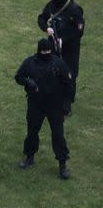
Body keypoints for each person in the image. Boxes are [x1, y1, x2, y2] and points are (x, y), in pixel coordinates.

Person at [15, 38, 73, 179]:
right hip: (36, 103)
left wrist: (66, 105)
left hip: (55, 105)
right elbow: (18, 76)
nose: (46, 53)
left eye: (48, 51)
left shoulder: (58, 64)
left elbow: (69, 86)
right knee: (32, 130)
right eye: (44, 51)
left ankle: (62, 165)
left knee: (58, 134)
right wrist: (28, 82)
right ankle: (29, 156)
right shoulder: (30, 62)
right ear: (39, 51)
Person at [38, 0, 84, 107]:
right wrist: (46, 28)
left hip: (70, 49)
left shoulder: (75, 10)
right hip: (53, 44)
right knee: (51, 70)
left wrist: (63, 41)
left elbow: (79, 32)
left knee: (69, 73)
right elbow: (42, 18)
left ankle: (67, 101)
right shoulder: (51, 6)